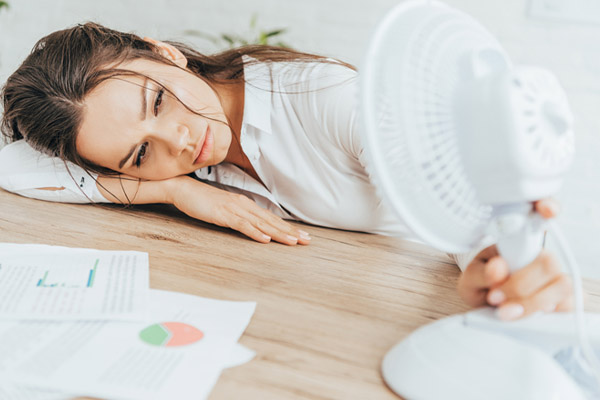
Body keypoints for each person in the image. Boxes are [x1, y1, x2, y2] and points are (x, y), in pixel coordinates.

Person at [0, 23, 573, 321]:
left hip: (427, 285)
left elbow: (474, 216)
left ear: (164, 53)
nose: (178, 140)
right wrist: (175, 192)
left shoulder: (332, 100)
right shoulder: (182, 170)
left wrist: (493, 266)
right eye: (140, 155)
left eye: (157, 102)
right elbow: (13, 167)